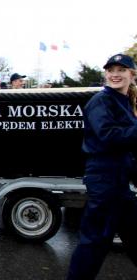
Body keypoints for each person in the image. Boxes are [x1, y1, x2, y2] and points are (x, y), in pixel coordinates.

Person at [67, 54, 137, 279]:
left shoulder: (123, 101)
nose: (115, 74)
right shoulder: (102, 101)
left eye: (121, 70)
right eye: (111, 70)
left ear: (132, 75)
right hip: (104, 179)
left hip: (120, 180)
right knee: (95, 241)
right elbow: (109, 136)